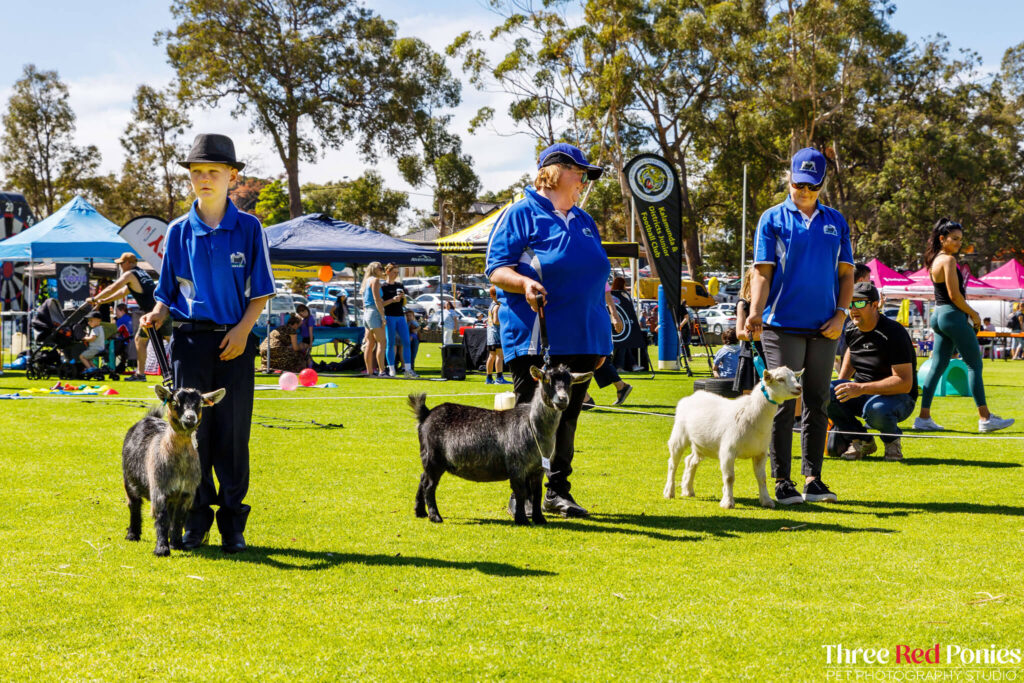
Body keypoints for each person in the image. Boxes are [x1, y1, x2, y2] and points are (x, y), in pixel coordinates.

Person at [142, 133, 275, 554]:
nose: (203, 178)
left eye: (213, 171)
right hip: (190, 345)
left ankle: (233, 525)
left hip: (235, 344)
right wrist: (157, 314)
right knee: (187, 437)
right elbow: (166, 291)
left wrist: (242, 331)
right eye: (196, 172)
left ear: (232, 176)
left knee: (232, 439)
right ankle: (194, 523)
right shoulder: (179, 230)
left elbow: (262, 291)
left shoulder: (250, 228)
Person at [486, 141, 610, 519]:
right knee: (529, 422)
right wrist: (523, 284)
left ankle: (558, 492)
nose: (584, 182)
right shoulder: (520, 214)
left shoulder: (585, 221)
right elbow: (496, 269)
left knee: (566, 420)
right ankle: (522, 496)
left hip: (584, 338)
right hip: (538, 337)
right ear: (554, 173)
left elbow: (594, 279)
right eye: (580, 173)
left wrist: (600, 337)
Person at [747, 147, 854, 506]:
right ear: (788, 179)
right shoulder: (772, 218)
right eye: (797, 184)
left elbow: (846, 273)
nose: (803, 191)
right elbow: (762, 271)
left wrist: (841, 314)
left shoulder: (836, 221)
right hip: (782, 325)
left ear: (822, 184)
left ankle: (813, 479)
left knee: (817, 401)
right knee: (782, 402)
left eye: (811, 185)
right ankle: (782, 481)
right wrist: (755, 311)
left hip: (825, 327)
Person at [913, 219, 1014, 433]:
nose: (959, 243)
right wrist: (974, 314)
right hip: (951, 315)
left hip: (938, 315)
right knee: (974, 365)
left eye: (961, 239)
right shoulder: (948, 260)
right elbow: (954, 296)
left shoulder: (934, 260)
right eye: (955, 239)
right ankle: (985, 418)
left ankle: (923, 417)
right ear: (942, 239)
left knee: (938, 365)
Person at [828, 282, 917, 461]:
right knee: (825, 392)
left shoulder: (894, 332)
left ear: (875, 305)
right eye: (849, 304)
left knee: (876, 410)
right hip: (862, 391)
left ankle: (892, 443)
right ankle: (861, 440)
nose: (853, 309)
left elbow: (904, 383)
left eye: (859, 303)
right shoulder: (852, 328)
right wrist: (841, 383)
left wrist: (860, 389)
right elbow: (852, 353)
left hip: (898, 397)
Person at [88, 251, 172, 382]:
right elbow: (122, 292)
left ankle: (179, 369)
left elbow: (114, 288)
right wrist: (101, 301)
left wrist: (95, 298)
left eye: (121, 263)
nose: (121, 266)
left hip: (157, 314)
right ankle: (140, 374)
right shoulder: (140, 273)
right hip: (157, 312)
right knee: (141, 340)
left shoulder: (129, 274)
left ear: (128, 263)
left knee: (172, 341)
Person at [381, 263, 418, 378]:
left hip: (401, 316)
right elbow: (380, 304)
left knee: (406, 342)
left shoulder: (400, 285)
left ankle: (407, 369)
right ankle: (391, 369)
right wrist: (392, 299)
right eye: (394, 272)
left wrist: (403, 298)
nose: (395, 275)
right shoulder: (383, 287)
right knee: (390, 343)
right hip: (389, 316)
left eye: (397, 273)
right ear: (387, 271)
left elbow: (404, 303)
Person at [733, 268, 765, 394]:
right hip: (750, 356)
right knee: (749, 400)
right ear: (749, 281)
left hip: (770, 354)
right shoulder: (743, 304)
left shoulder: (771, 302)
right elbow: (739, 334)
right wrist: (759, 337)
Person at [360, 261, 388, 377]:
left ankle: (370, 372)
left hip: (366, 313)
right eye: (380, 268)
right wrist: (382, 317)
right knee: (382, 342)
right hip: (374, 312)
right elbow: (377, 300)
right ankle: (382, 371)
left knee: (369, 343)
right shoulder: (375, 280)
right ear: (375, 270)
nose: (382, 270)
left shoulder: (366, 281)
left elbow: (367, 302)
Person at [485, 286, 510, 384]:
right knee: (500, 355)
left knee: (491, 356)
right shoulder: (497, 306)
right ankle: (499, 378)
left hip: (490, 334)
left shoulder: (491, 305)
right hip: (497, 334)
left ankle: (489, 378)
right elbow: (496, 321)